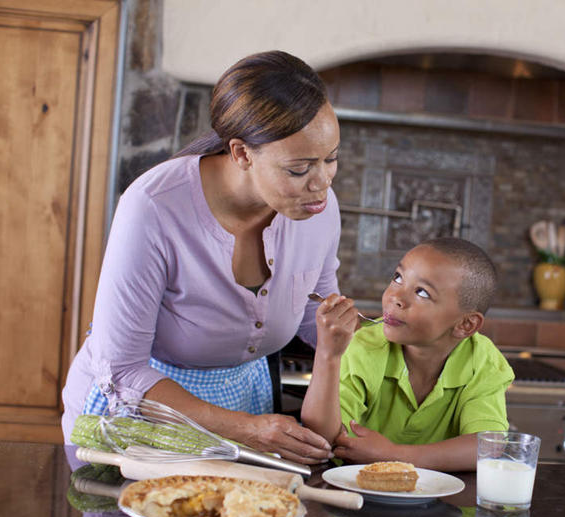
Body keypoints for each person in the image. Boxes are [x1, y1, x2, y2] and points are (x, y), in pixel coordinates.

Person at [61, 50, 340, 464]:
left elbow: (317, 315)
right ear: (242, 154)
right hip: (143, 416)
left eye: (331, 159)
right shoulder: (153, 206)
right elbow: (122, 371)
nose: (321, 183)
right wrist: (249, 429)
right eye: (299, 169)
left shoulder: (317, 207)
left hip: (249, 407)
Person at [301, 237, 515, 471]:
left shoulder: (482, 360)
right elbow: (321, 440)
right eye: (397, 278)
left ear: (466, 324)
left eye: (422, 293)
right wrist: (327, 354)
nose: (396, 297)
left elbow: (488, 448)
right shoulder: (364, 347)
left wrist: (394, 455)